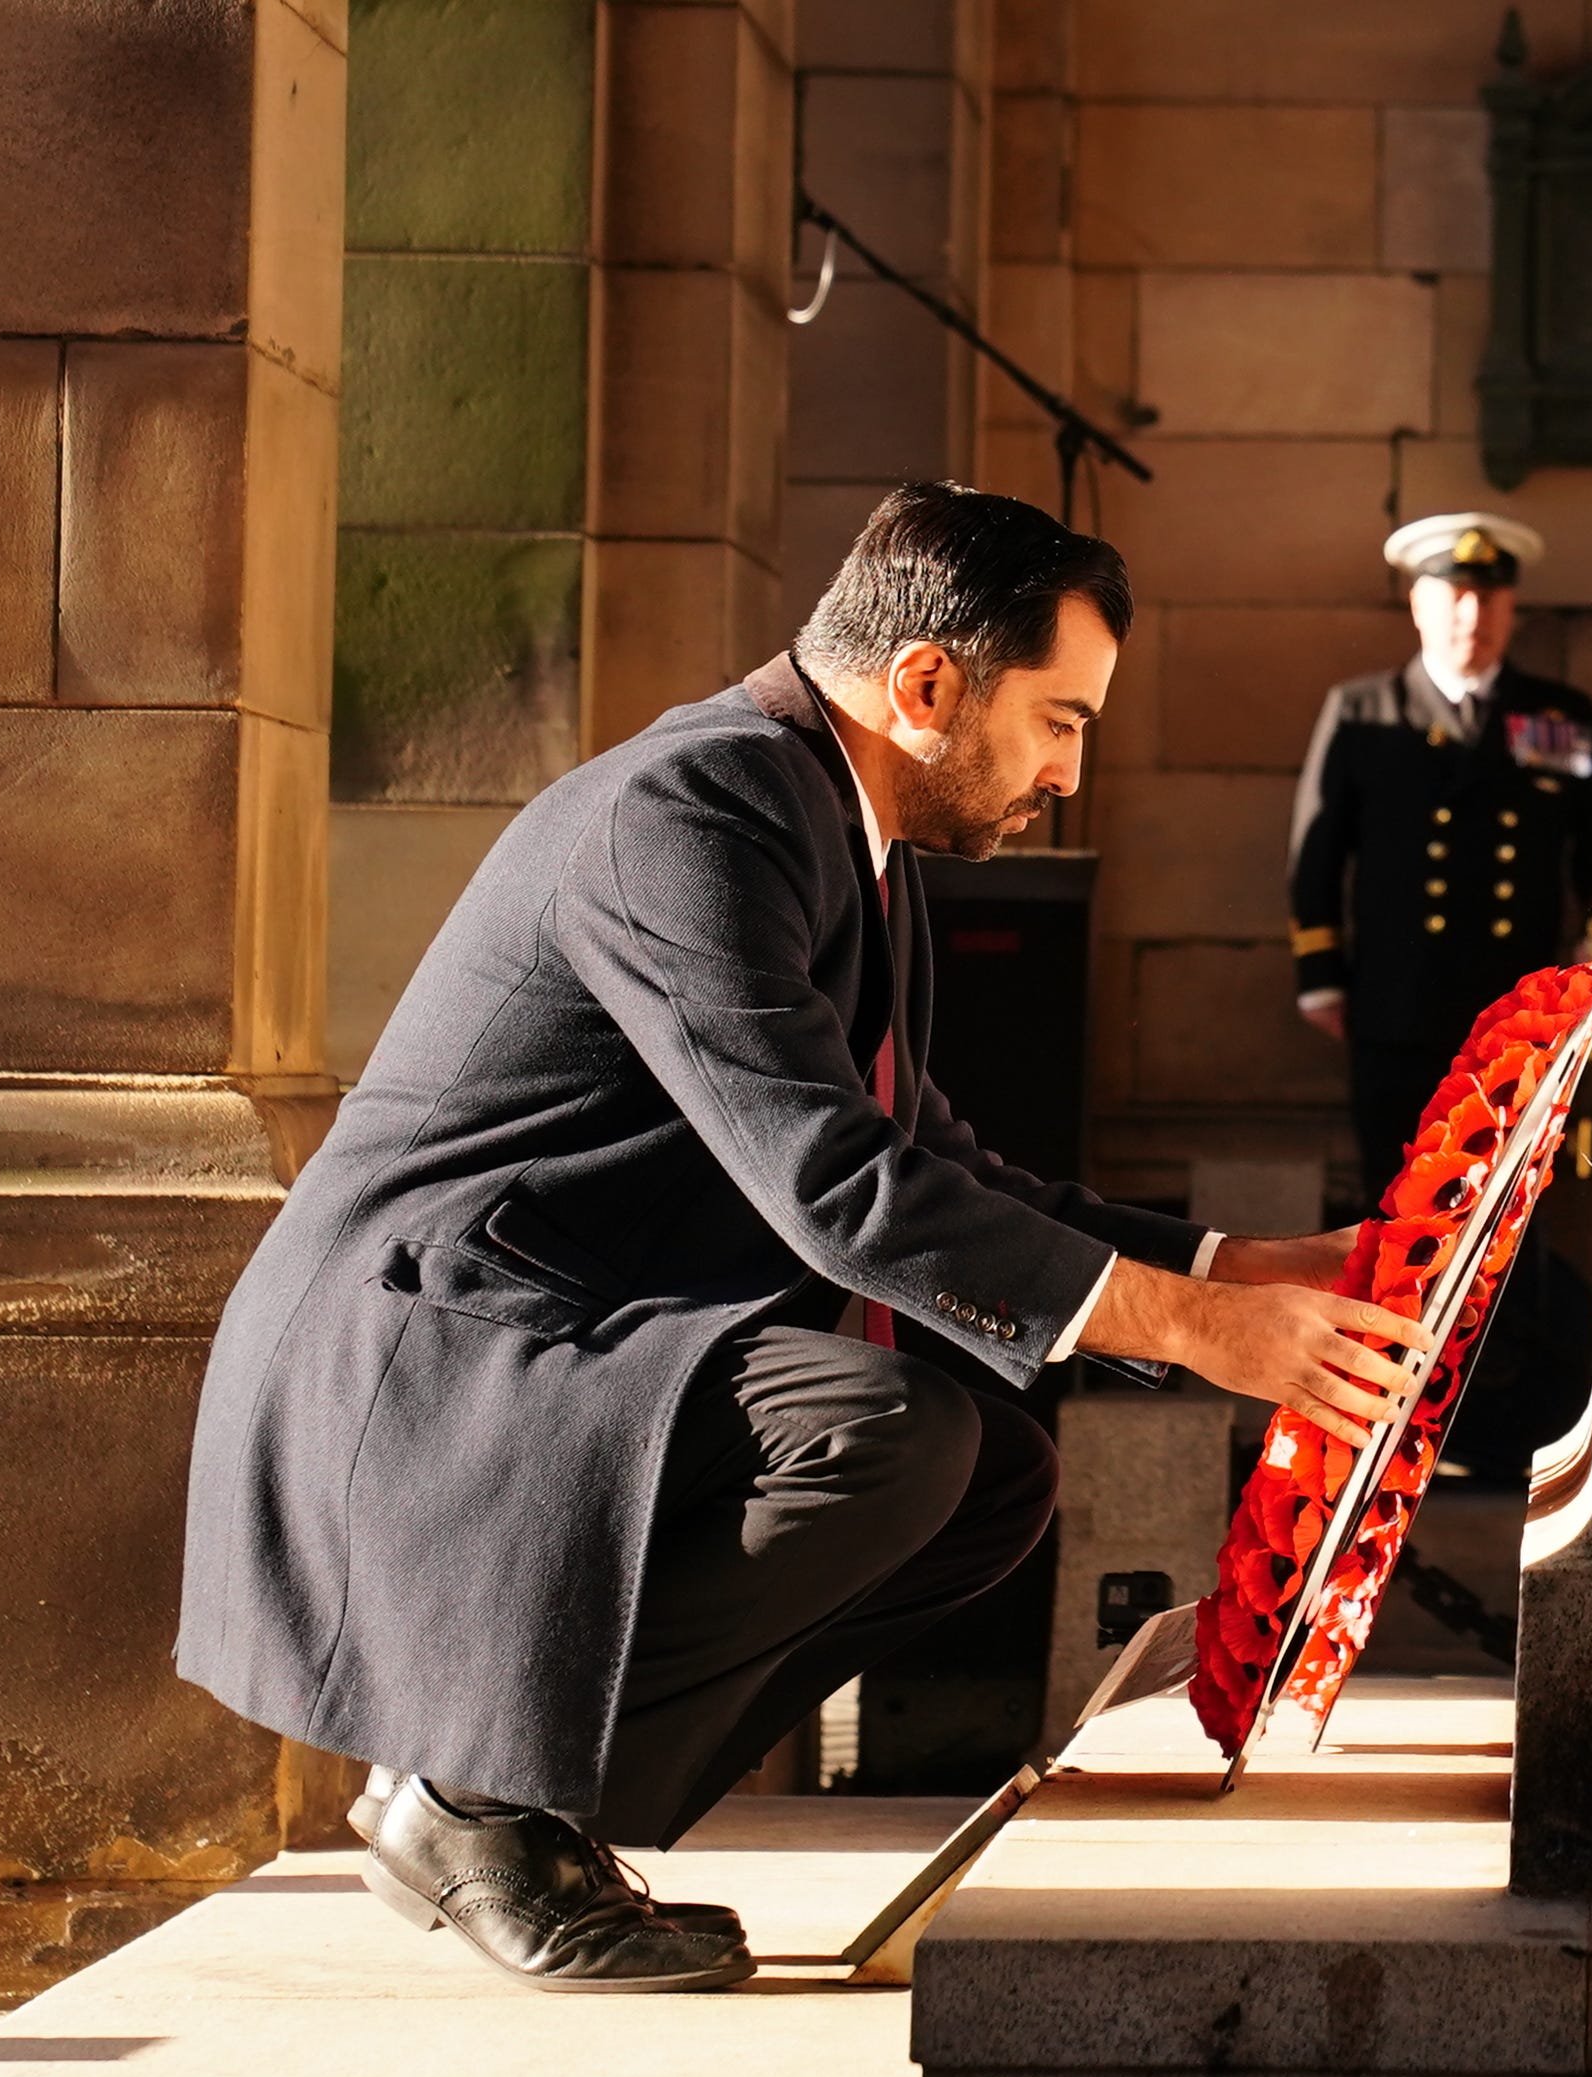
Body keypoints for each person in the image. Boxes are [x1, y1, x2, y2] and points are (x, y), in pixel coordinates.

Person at [177, 484, 1438, 1994]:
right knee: (886, 1434)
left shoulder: (840, 827)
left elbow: (929, 1157)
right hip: (432, 1361)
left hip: (567, 1345)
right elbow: (834, 1181)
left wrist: (1239, 1266)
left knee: (993, 1472)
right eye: (1058, 721)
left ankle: (516, 1799)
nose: (1068, 772)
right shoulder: (693, 812)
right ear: (924, 686)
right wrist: (1185, 1328)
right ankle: (471, 1797)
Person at [1287, 512, 1592, 1202]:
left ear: (1512, 606)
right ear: (1418, 603)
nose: (1473, 614)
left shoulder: (1559, 714)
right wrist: (1320, 975)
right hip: (1394, 1002)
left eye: (1491, 596)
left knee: (1508, 1203)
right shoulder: (1363, 710)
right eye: (1453, 594)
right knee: (1397, 1194)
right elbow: (1316, 851)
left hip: (1520, 1005)